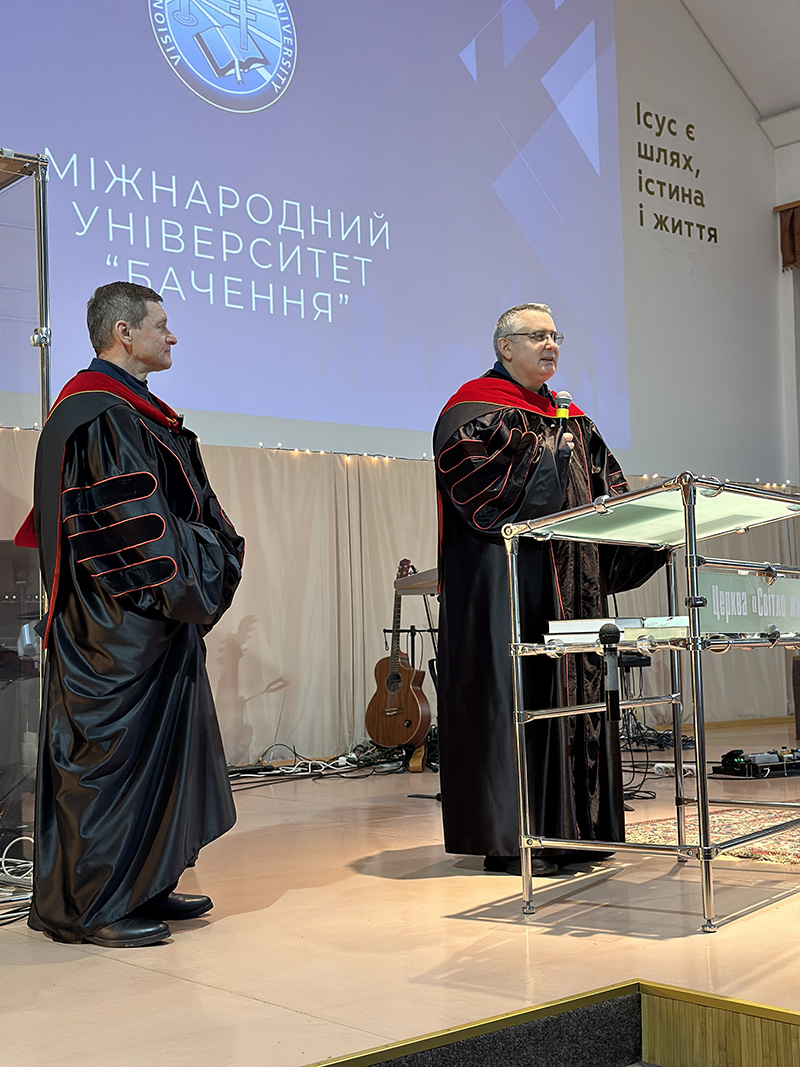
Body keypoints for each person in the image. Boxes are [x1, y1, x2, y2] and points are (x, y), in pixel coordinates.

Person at [14, 281, 245, 946]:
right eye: (161, 325)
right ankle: (96, 906)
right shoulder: (100, 414)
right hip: (114, 626)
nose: (172, 336)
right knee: (110, 761)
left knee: (153, 756)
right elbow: (136, 532)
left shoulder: (127, 408)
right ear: (124, 332)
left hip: (144, 619)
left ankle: (145, 882)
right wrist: (201, 566)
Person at [433, 303, 664, 876]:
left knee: (578, 698)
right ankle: (518, 838)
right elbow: (488, 501)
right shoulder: (473, 412)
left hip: (574, 585)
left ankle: (577, 830)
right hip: (512, 589)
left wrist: (646, 525)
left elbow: (606, 488)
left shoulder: (571, 417)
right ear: (505, 347)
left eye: (555, 335)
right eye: (537, 335)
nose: (551, 344)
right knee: (524, 699)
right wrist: (552, 456)